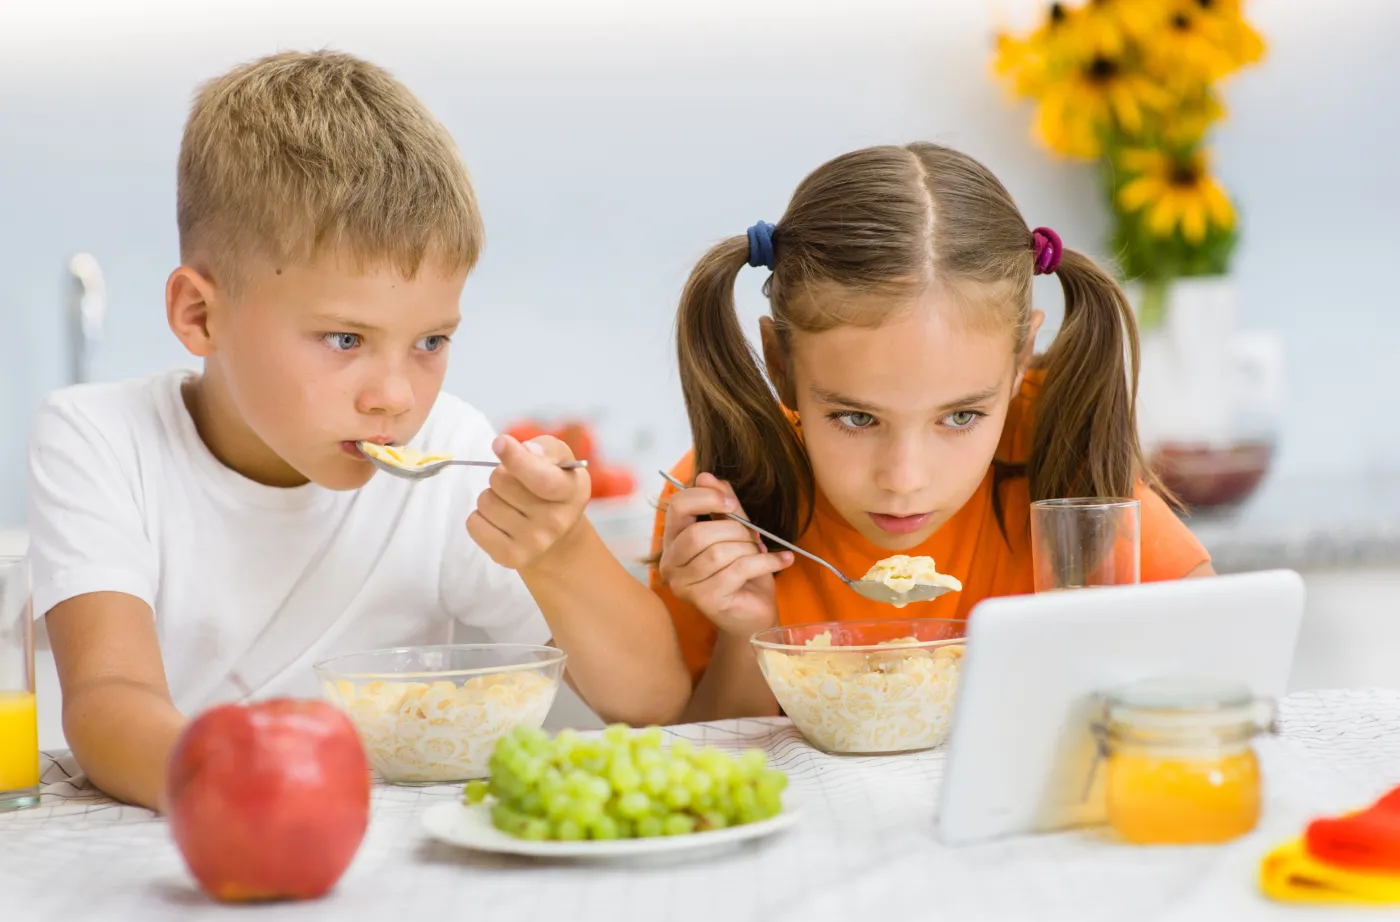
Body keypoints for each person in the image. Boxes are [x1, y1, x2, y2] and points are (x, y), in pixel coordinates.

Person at [26, 50, 689, 811]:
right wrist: (251, 788)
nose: (396, 397)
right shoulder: (100, 440)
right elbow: (108, 701)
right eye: (345, 340)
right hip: (213, 832)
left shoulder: (447, 454)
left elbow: (653, 700)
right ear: (200, 315)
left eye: (431, 341)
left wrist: (562, 550)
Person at [649, 142, 1213, 721]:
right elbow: (700, 753)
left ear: (1020, 359)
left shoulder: (1061, 458)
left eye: (960, 417)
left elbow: (1214, 651)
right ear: (781, 365)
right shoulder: (725, 502)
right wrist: (746, 633)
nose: (905, 480)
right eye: (856, 418)